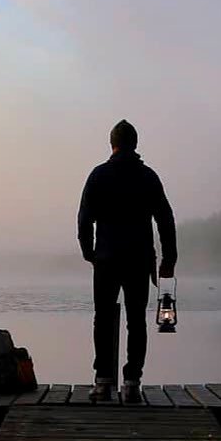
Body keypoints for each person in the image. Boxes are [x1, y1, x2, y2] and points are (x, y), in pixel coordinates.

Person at [77, 119, 177, 403]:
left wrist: (89, 253)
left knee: (103, 319)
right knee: (136, 321)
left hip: (106, 259)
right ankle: (132, 382)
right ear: (135, 144)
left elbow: (85, 219)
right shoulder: (148, 177)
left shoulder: (98, 175)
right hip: (138, 259)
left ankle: (103, 382)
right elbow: (165, 220)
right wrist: (169, 259)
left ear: (112, 144)